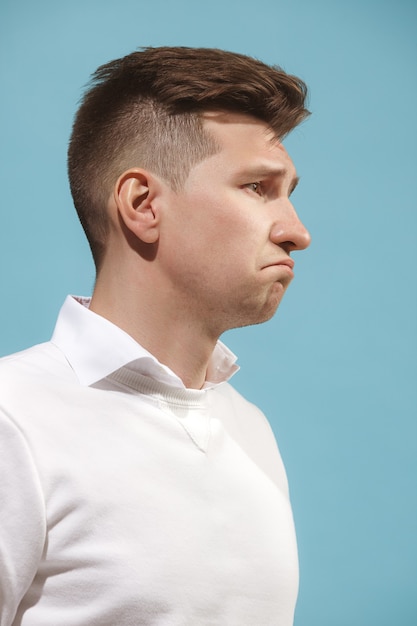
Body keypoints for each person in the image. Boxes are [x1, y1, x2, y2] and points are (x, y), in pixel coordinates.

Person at [0, 46, 311, 625]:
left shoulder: (248, 428)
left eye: (291, 192)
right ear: (143, 204)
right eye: (257, 188)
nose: (297, 232)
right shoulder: (11, 418)